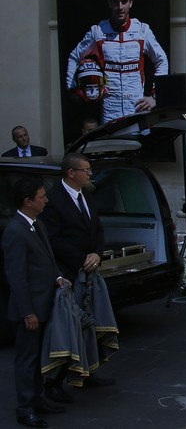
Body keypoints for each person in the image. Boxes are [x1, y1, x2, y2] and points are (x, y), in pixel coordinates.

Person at [41, 153, 116, 402]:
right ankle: (55, 382)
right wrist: (82, 258)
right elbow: (54, 240)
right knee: (68, 327)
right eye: (86, 170)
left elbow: (97, 229)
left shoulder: (86, 196)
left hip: (89, 271)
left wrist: (97, 253)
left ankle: (89, 370)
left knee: (89, 325)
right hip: (70, 273)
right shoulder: (53, 200)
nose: (90, 174)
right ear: (71, 173)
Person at [3, 178, 71, 428]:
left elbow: (47, 259)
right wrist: (27, 312)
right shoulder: (14, 231)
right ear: (27, 201)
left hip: (46, 303)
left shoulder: (38, 225)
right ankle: (25, 407)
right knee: (27, 359)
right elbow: (17, 277)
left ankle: (38, 397)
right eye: (41, 197)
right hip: (30, 309)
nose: (46, 200)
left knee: (40, 356)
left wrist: (58, 277)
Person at [66, 0, 168, 124]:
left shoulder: (142, 30)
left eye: (124, 2)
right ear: (109, 3)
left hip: (137, 108)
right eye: (116, 2)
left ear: (131, 3)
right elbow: (74, 57)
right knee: (112, 146)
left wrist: (155, 97)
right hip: (109, 109)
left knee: (138, 146)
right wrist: (72, 89)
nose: (120, 7)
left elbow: (161, 60)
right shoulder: (98, 32)